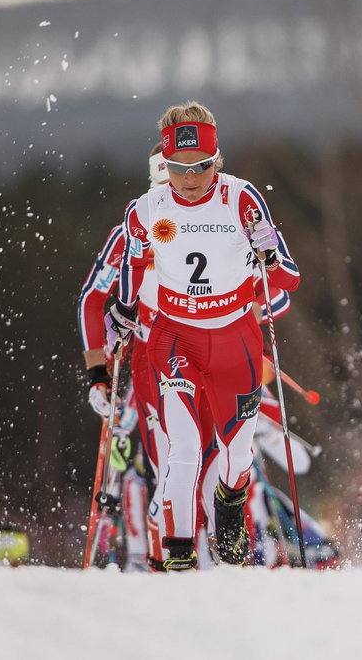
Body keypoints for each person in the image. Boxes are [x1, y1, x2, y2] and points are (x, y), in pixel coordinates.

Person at [110, 101, 300, 570]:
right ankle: (177, 553)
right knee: (184, 449)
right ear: (165, 166)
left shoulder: (242, 198)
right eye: (178, 168)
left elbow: (290, 279)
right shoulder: (147, 209)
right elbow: (132, 267)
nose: (189, 179)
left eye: (199, 167)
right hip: (176, 339)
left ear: (217, 160)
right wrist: (125, 309)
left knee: (237, 451)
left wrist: (271, 258)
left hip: (235, 337)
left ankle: (230, 502)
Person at [77, 143, 170, 571]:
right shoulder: (133, 230)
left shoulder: (222, 220)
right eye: (166, 185)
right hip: (149, 359)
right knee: (154, 459)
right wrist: (98, 373)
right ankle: (150, 556)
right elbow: (92, 300)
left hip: (209, 359)